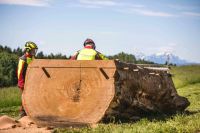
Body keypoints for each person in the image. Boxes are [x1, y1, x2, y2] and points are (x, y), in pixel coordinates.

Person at [17, 41, 38, 117]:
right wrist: (21, 83)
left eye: (35, 50)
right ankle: (22, 114)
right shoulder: (22, 59)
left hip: (30, 82)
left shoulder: (32, 58)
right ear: (28, 50)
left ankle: (29, 113)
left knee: (31, 97)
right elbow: (20, 72)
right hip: (23, 82)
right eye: (33, 50)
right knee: (25, 98)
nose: (34, 52)